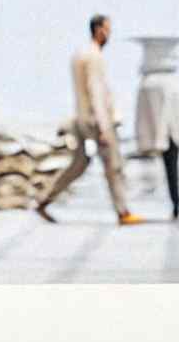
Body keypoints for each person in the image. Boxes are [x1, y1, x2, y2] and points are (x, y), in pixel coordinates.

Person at [34, 15, 140, 226]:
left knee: (79, 164)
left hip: (81, 118)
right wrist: (103, 126)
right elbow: (96, 92)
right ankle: (123, 211)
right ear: (99, 30)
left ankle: (43, 200)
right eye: (108, 29)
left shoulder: (79, 55)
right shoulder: (94, 57)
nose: (109, 34)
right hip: (96, 120)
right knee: (113, 164)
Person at [132, 37, 179, 221]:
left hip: (165, 136)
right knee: (172, 169)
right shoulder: (170, 83)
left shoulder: (149, 83)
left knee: (169, 169)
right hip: (171, 136)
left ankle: (175, 203)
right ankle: (176, 204)